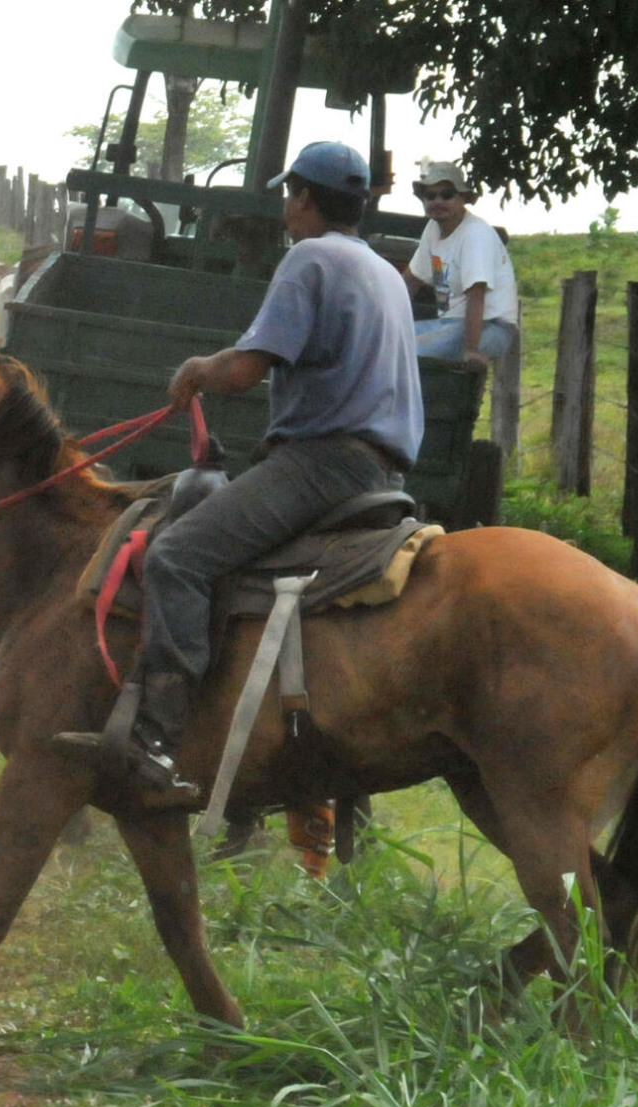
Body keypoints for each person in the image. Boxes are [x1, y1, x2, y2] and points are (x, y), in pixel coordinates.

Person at [56, 141, 422, 802]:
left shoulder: (310, 259)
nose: (287, 207)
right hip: (385, 475)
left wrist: (198, 370)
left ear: (306, 198)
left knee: (178, 556)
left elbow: (246, 370)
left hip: (322, 464)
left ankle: (158, 742)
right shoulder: (385, 272)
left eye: (291, 195)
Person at [404, 159, 518, 370]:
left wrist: (472, 350)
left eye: (446, 195)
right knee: (392, 340)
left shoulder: (475, 234)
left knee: (406, 352)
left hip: (489, 327)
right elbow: (410, 281)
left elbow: (477, 294)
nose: (437, 201)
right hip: (449, 324)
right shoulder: (432, 229)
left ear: (462, 198)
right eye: (430, 196)